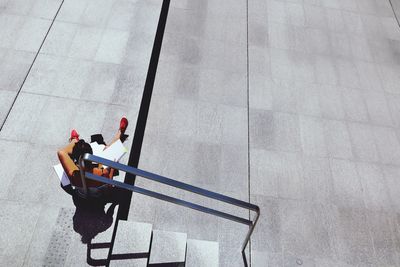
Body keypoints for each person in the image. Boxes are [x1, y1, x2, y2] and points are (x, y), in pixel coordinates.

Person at [57, 117, 129, 199]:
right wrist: (112, 165)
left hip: (81, 196)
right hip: (99, 196)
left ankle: (74, 140)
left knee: (106, 150)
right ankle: (120, 132)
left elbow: (61, 152)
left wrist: (74, 142)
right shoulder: (102, 173)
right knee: (108, 150)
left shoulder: (72, 174)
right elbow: (109, 185)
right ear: (91, 153)